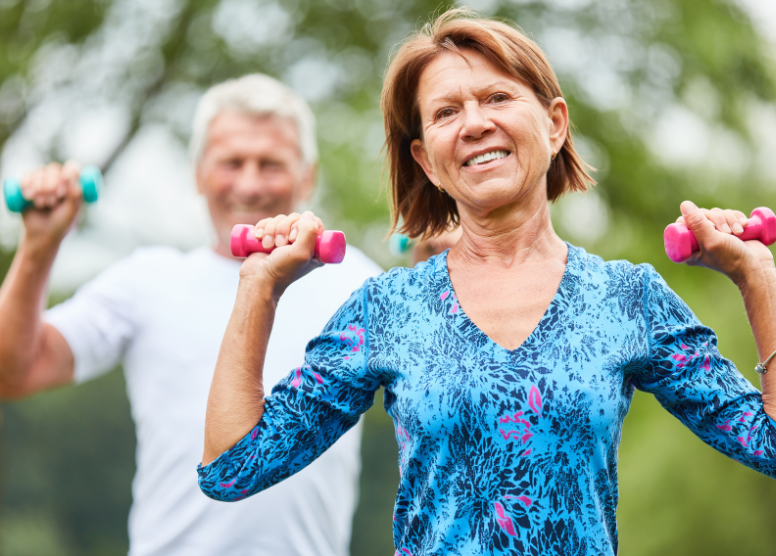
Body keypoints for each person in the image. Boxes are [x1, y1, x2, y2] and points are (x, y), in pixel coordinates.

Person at [198, 10, 776, 556]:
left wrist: (758, 278)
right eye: (447, 112)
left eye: (498, 97)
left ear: (554, 125)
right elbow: (231, 469)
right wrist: (259, 288)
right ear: (426, 160)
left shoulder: (629, 300)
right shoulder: (387, 310)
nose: (475, 123)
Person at [0, 74, 382, 556]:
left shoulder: (354, 283)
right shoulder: (147, 281)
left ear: (307, 176)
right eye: (231, 163)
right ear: (198, 174)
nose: (249, 183)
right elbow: (13, 372)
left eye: (270, 164)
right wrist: (38, 247)